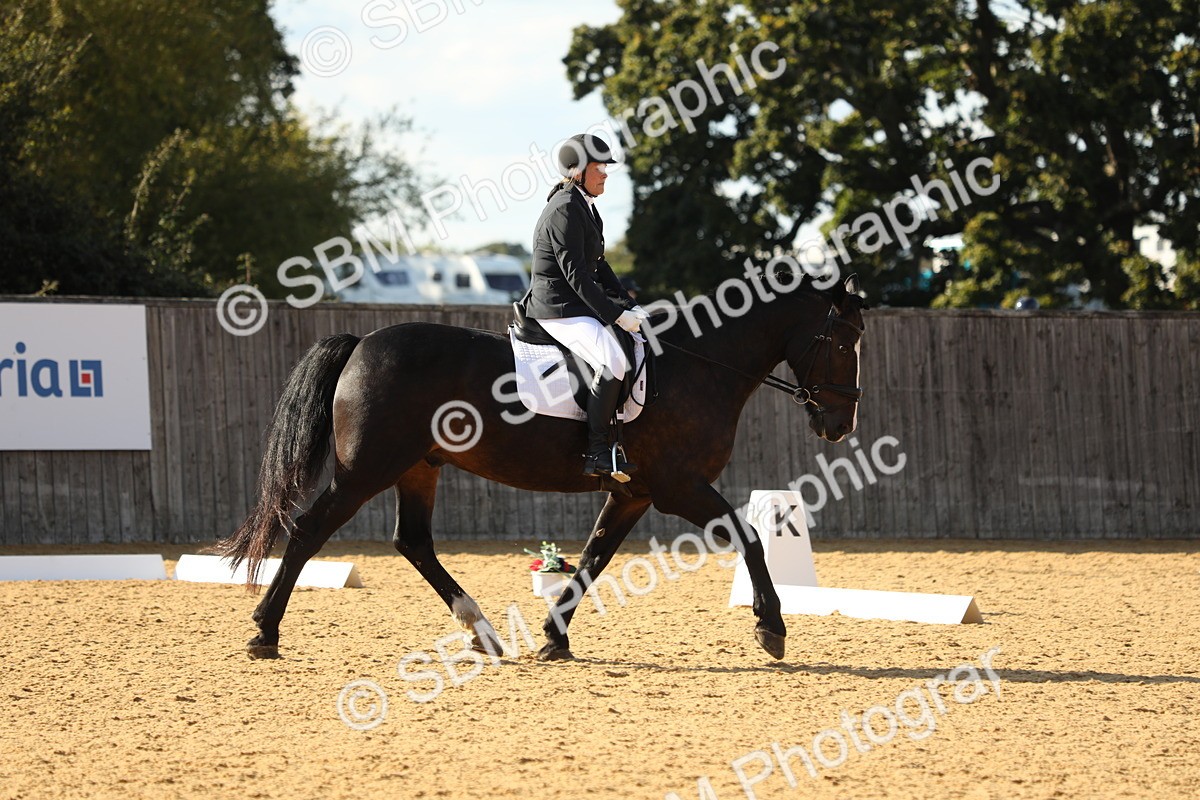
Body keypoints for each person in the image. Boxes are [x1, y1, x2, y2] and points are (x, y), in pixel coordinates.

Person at [523, 133, 648, 478]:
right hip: (557, 307)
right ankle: (596, 452)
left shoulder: (584, 206)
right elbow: (576, 275)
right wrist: (616, 315)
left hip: (573, 303)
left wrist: (626, 303)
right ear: (577, 171)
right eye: (599, 167)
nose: (606, 173)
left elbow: (600, 265)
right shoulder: (564, 208)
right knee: (612, 362)